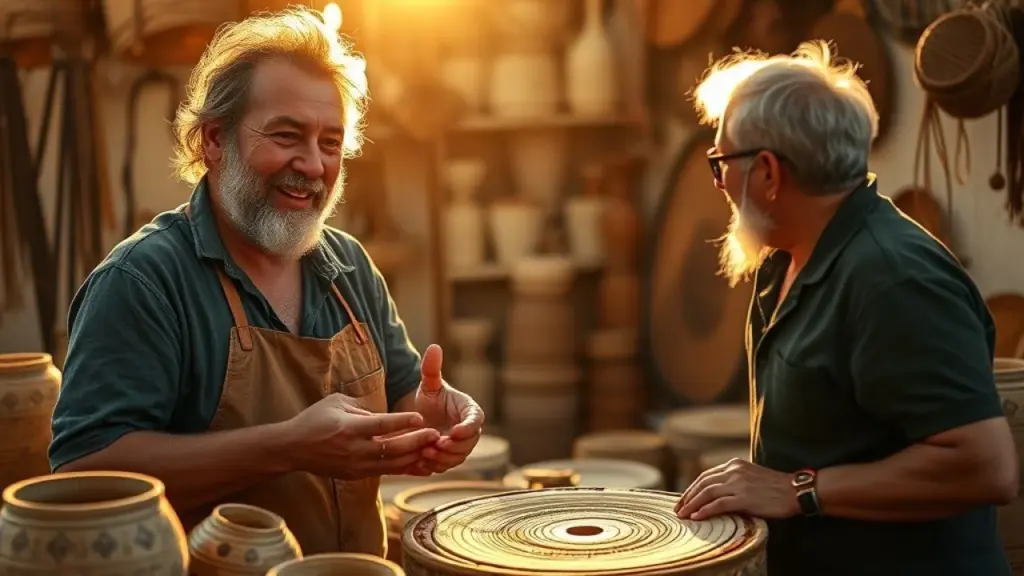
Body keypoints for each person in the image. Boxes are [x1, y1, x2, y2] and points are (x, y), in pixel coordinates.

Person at [48, 7, 484, 557]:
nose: (312, 164)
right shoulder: (142, 282)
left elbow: (404, 393)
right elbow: (85, 469)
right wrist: (286, 447)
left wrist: (430, 415)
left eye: (330, 143)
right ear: (213, 141)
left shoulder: (345, 264)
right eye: (286, 135)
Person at [673, 41, 1018, 575]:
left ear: (767, 172)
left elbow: (984, 466)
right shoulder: (784, 262)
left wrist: (797, 490)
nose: (718, 184)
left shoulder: (893, 279)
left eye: (720, 164)